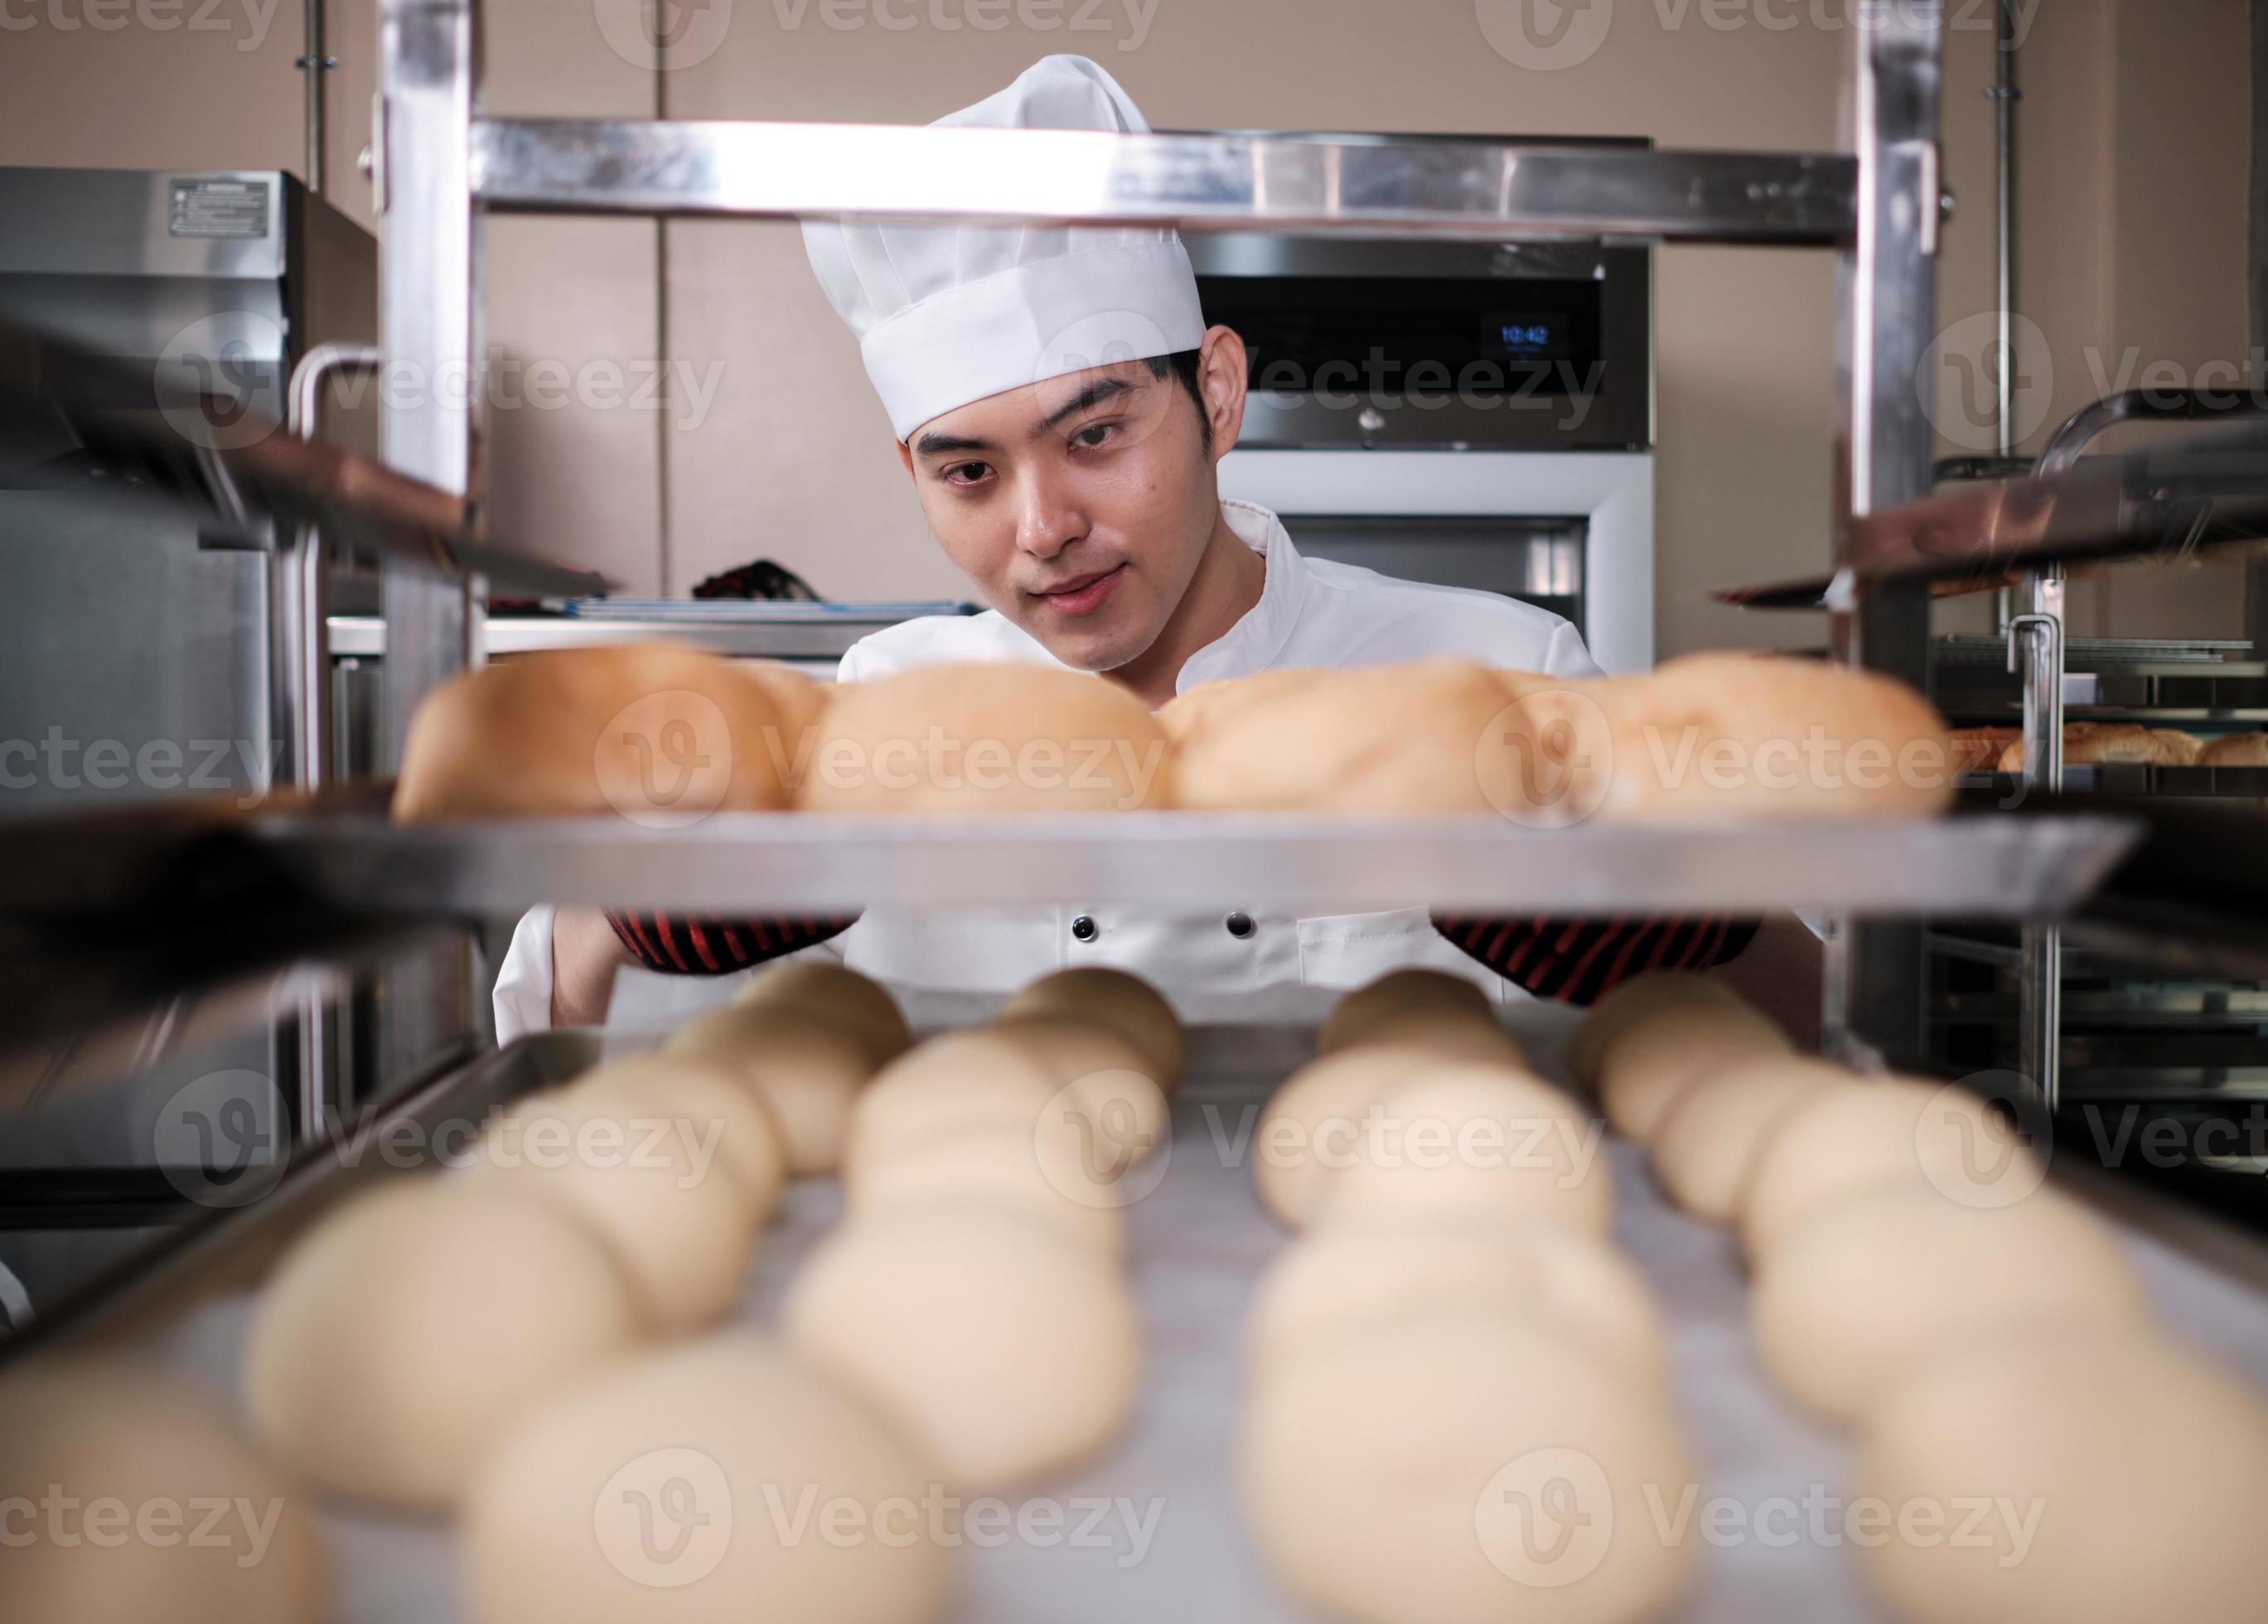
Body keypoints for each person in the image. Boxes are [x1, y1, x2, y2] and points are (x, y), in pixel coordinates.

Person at [494, 55, 1804, 1044]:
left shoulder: (1496, 670)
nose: (1042, 528)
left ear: (1218, 395)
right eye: (969, 470)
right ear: (916, 478)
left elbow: (1816, 1024)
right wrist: (624, 904)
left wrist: (1683, 921)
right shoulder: (873, 723)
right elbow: (554, 1040)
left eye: (1096, 435)